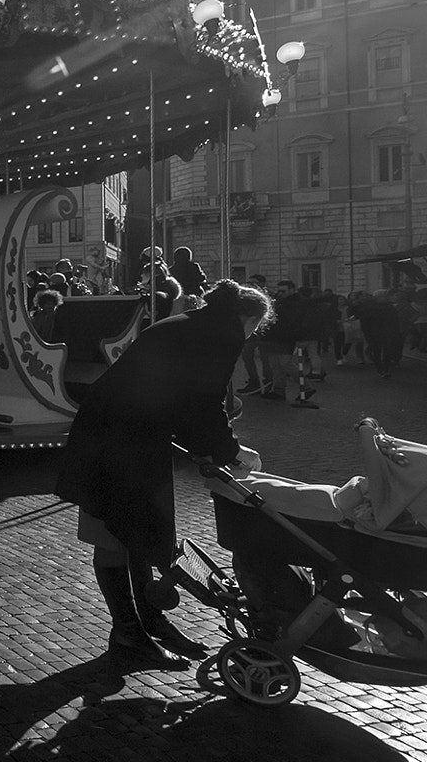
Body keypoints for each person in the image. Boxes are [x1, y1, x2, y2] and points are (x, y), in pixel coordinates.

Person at [55, 279, 273, 667]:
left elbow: (183, 394)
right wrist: (231, 451)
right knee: (115, 530)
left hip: (119, 432)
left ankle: (146, 623)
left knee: (132, 528)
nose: (252, 335)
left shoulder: (195, 322)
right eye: (255, 328)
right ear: (248, 319)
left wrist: (214, 448)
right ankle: (129, 632)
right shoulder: (222, 333)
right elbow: (204, 404)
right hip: (119, 439)